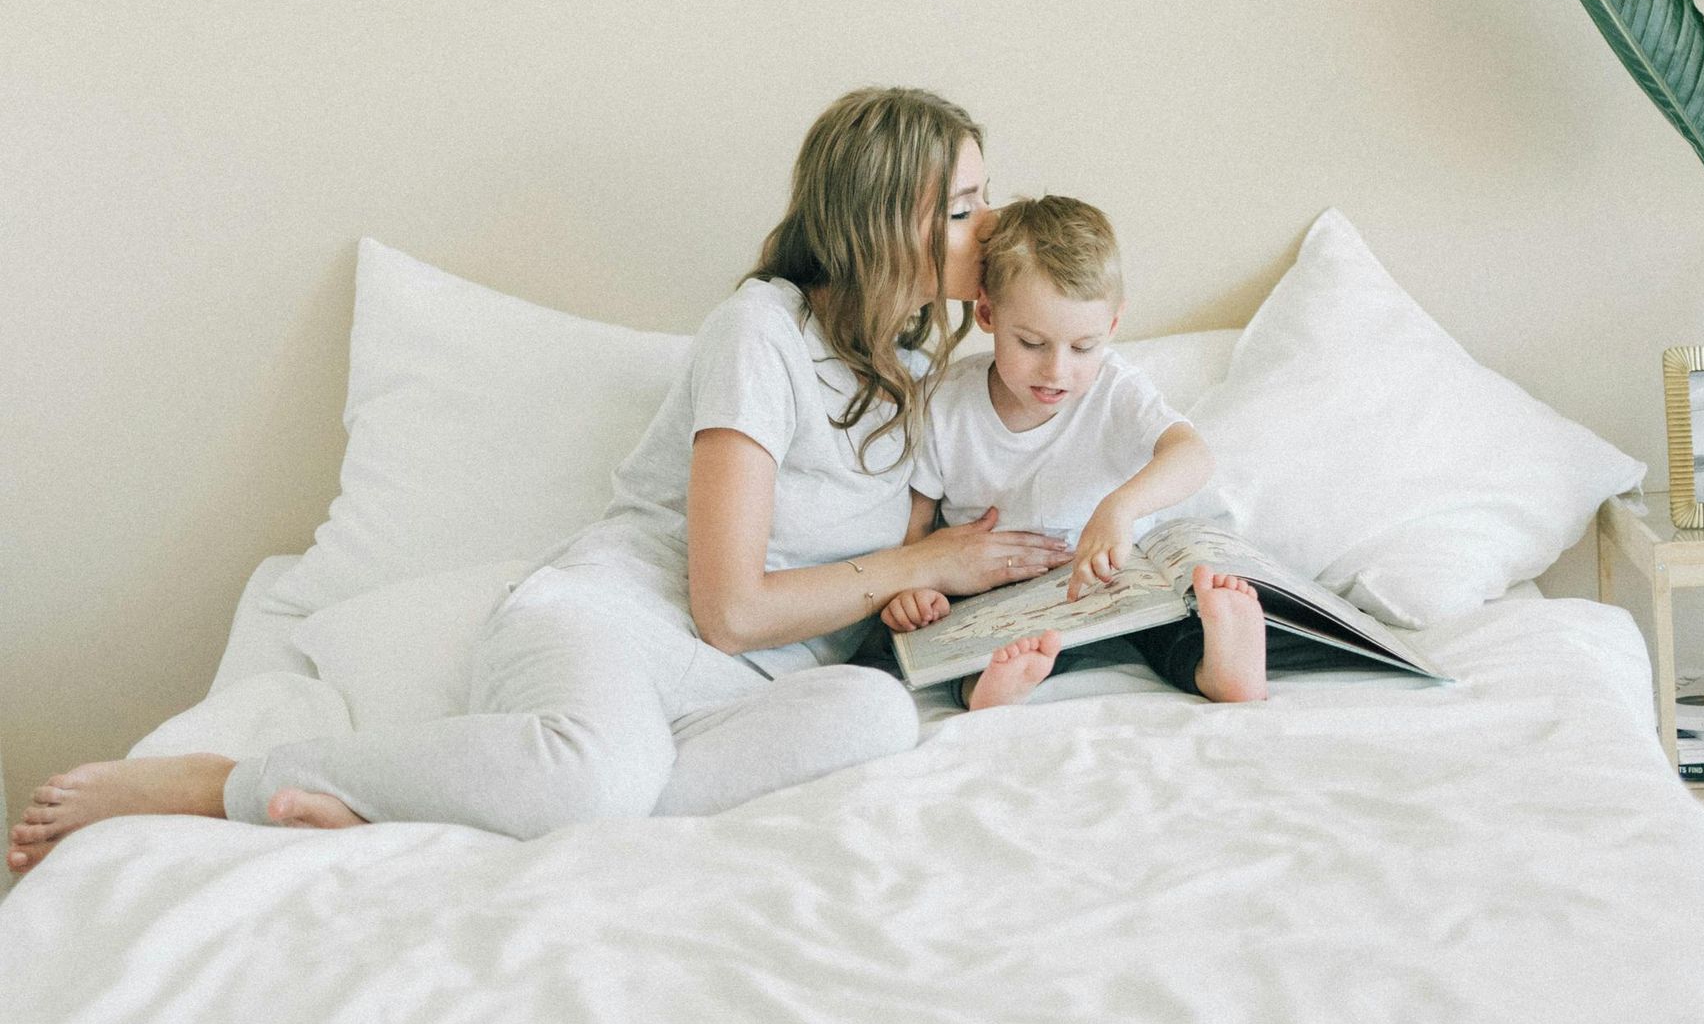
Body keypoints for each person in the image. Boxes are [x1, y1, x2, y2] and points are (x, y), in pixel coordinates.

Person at [7, 90, 1070, 872]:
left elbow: (928, 541)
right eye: (965, 210)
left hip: (753, 690)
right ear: (886, 221)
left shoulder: (922, 367)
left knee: (879, 717)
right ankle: (232, 780)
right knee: (596, 776)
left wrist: (948, 573)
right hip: (622, 625)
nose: (991, 227)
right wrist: (919, 558)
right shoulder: (761, 332)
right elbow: (731, 605)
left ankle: (420, 818)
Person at [875, 194, 1273, 709]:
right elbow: (917, 529)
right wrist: (916, 588)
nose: (1057, 371)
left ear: (1111, 326)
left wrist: (1120, 508)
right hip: (997, 592)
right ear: (988, 314)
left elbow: (1192, 455)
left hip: (1109, 586)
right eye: (1032, 344)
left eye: (1082, 347)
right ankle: (987, 688)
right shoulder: (944, 403)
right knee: (963, 638)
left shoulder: (1115, 389)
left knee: (1167, 621)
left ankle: (1218, 670)